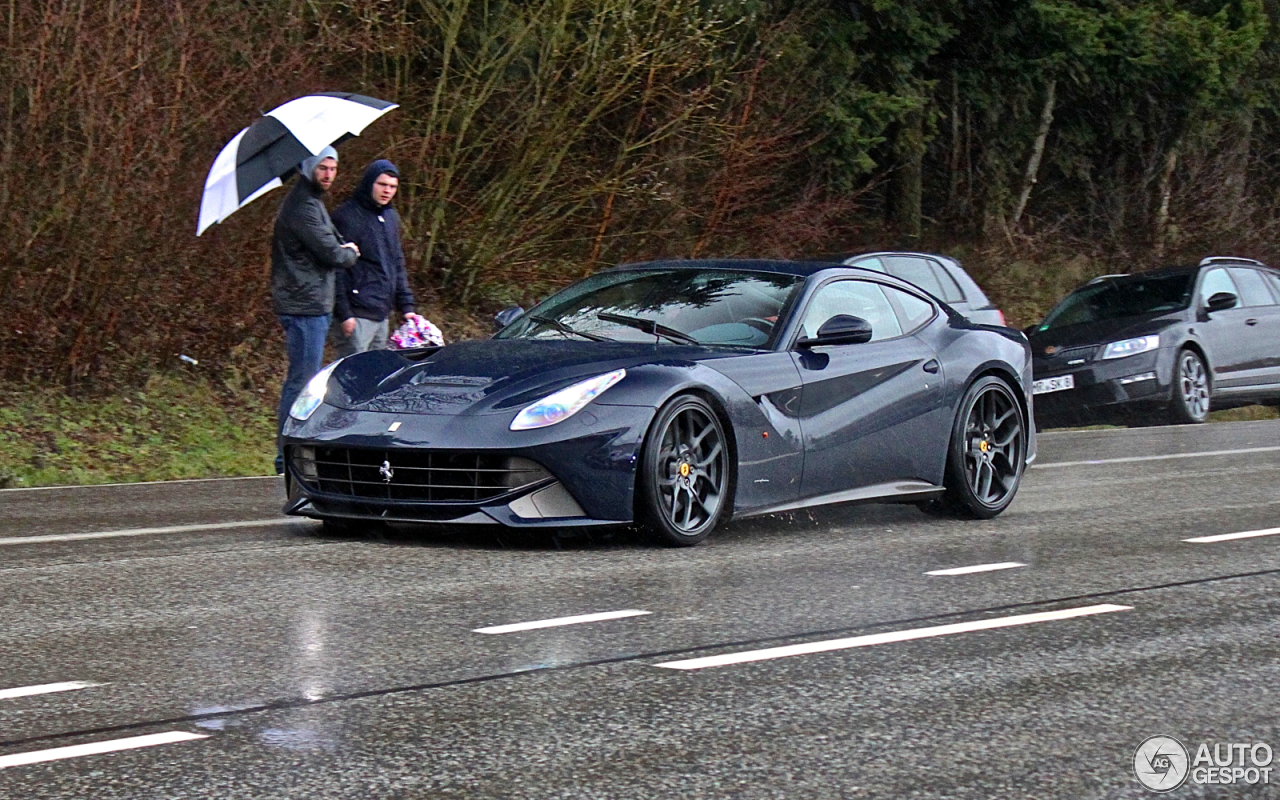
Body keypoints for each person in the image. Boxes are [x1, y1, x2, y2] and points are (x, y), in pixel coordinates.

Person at [271, 145, 359, 473]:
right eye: (322, 167)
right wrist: (349, 252)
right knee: (302, 383)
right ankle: (287, 457)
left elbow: (331, 243)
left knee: (303, 381)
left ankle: (292, 454)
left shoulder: (312, 203)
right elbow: (333, 254)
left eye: (333, 168)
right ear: (309, 167)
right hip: (304, 305)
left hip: (312, 302)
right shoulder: (303, 207)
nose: (328, 175)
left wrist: (342, 247)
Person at [331, 159, 421, 357]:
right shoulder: (346, 217)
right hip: (356, 313)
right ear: (369, 183)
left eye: (392, 187)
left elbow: (396, 262)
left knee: (375, 377)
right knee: (352, 374)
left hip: (382, 313)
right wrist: (344, 312)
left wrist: (406, 306)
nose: (387, 191)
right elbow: (336, 269)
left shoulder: (390, 217)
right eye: (382, 184)